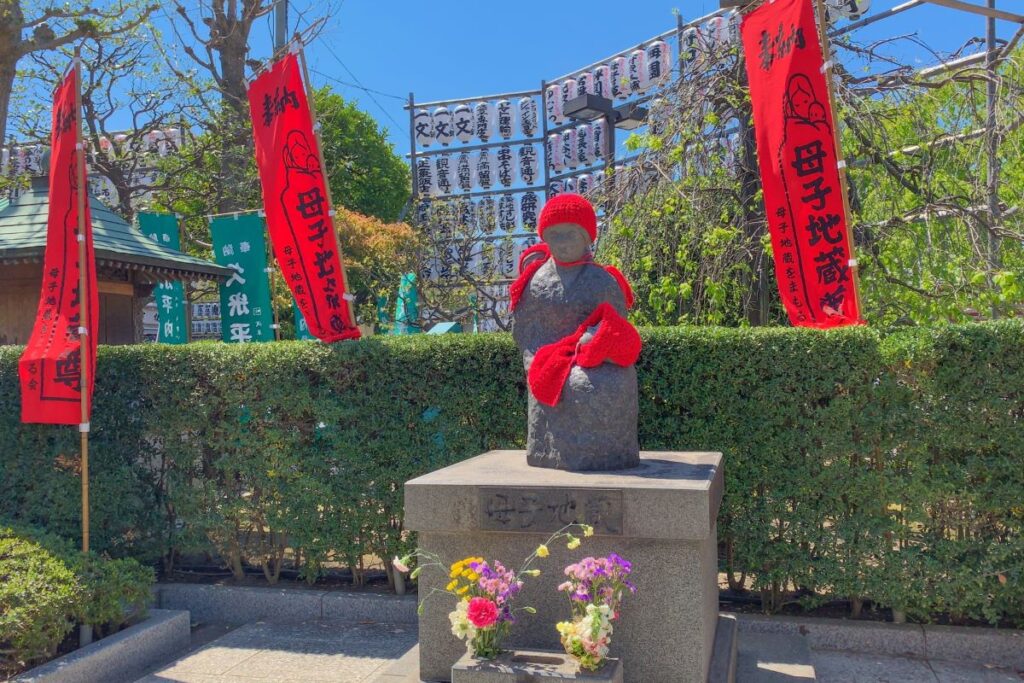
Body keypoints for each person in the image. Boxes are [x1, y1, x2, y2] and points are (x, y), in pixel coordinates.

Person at [511, 193, 641, 471]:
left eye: (571, 234)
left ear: (586, 237)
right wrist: (533, 358)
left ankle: (613, 454)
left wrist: (599, 340)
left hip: (598, 355)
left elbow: (619, 328)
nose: (563, 242)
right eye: (555, 235)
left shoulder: (602, 280)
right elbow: (526, 329)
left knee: (617, 382)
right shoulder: (535, 282)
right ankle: (553, 452)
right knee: (574, 383)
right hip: (548, 354)